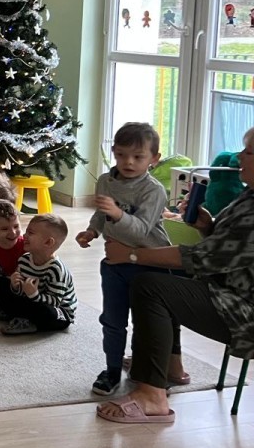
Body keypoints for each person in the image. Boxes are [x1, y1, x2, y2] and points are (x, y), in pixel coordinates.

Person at [98, 126, 254, 425]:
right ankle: (171, 367)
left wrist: (131, 255)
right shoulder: (250, 196)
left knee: (151, 285)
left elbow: (200, 259)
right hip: (226, 291)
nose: (238, 157)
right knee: (164, 277)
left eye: (247, 152)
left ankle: (152, 396)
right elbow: (227, 250)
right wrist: (207, 226)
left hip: (243, 311)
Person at [77, 122, 188, 396]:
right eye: (121, 155)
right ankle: (112, 369)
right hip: (115, 263)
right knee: (112, 320)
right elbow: (101, 213)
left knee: (146, 323)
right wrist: (92, 231)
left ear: (154, 159)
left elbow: (140, 230)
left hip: (150, 265)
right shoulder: (106, 181)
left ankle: (146, 370)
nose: (128, 162)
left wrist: (117, 213)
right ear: (113, 152)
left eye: (138, 157)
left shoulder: (153, 190)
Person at [0, 213, 77, 335]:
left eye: (30, 233)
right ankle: (18, 314)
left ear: (48, 242)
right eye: (26, 231)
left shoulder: (56, 270)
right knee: (1, 283)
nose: (24, 235)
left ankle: (26, 320)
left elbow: (55, 301)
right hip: (31, 300)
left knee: (47, 312)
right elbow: (22, 291)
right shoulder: (24, 260)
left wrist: (34, 294)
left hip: (58, 311)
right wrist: (15, 286)